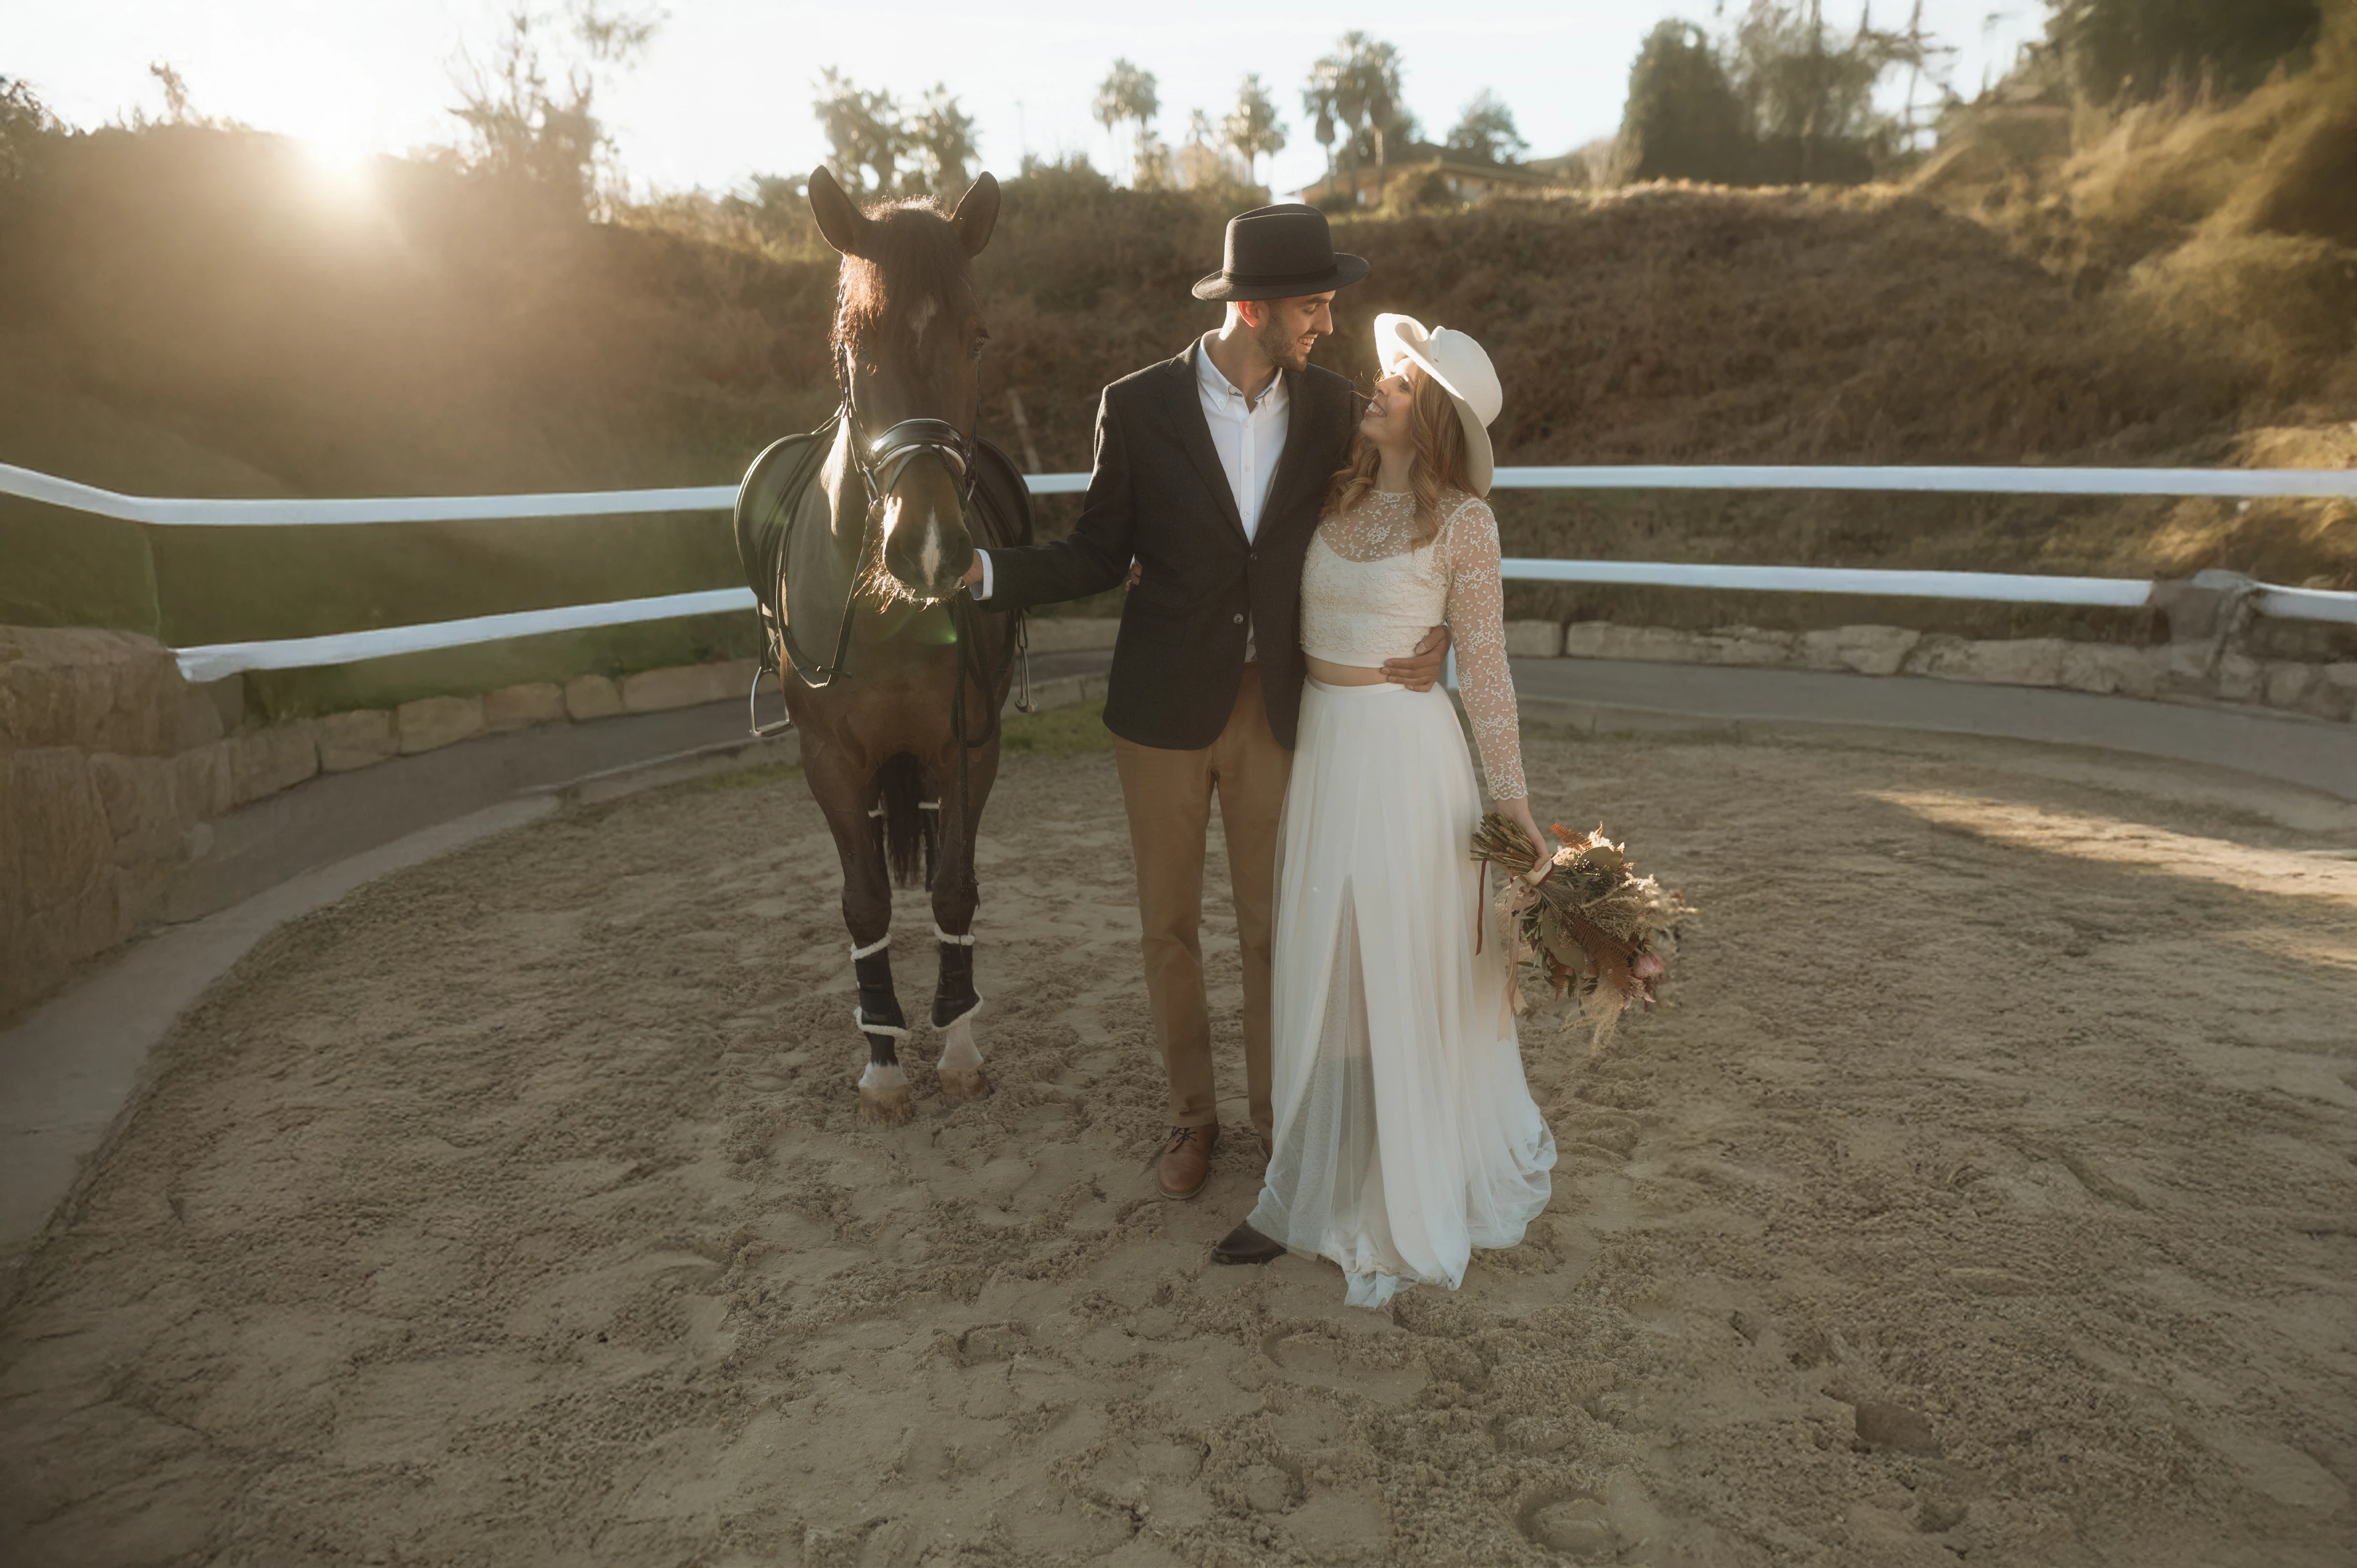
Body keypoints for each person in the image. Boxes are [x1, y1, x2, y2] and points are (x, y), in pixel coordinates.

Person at [960, 206, 1448, 1200]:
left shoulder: (1332, 407)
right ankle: (1193, 1122)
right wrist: (980, 571)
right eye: (1315, 305)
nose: (1326, 322)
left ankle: (1279, 1127)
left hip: (1277, 703)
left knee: (1277, 926)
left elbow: (1395, 511)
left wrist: (1434, 620)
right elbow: (1100, 550)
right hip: (1160, 709)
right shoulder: (1135, 406)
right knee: (1168, 929)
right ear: (1259, 307)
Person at [1211, 315, 1557, 1307]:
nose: (1378, 391)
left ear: (1433, 415)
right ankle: (1312, 1172)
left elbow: (1487, 673)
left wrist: (1517, 807)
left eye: (1400, 388)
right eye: (1385, 380)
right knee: (1327, 952)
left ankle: (1383, 1181)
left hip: (1408, 763)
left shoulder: (1468, 526)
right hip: (1322, 748)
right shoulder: (1335, 493)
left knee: (1393, 961)